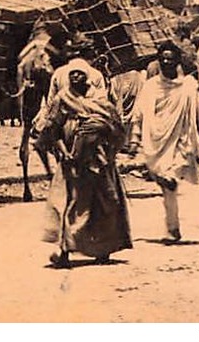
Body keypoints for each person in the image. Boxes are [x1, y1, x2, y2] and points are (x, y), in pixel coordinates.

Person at [36, 65, 133, 267]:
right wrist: (64, 151)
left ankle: (103, 249)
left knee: (103, 204)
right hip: (71, 162)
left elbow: (117, 131)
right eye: (72, 74)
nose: (76, 77)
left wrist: (109, 152)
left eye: (80, 73)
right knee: (67, 204)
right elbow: (52, 130)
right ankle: (64, 250)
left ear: (87, 77)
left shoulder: (101, 102)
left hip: (99, 161)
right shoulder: (62, 99)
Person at [125, 41, 199, 242]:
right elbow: (139, 114)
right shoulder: (151, 86)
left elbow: (198, 113)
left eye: (170, 59)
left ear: (177, 61)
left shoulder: (188, 86)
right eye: (162, 59)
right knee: (164, 183)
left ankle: (172, 229)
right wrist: (135, 141)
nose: (166, 62)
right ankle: (173, 227)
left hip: (182, 139)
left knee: (170, 180)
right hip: (156, 141)